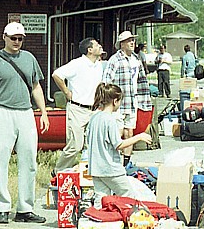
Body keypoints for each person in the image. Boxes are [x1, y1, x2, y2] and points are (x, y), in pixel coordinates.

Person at [0, 22, 50, 224]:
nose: (17, 42)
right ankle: (2, 207)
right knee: (0, 161)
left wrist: (43, 112)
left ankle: (25, 208)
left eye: (20, 38)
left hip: (25, 112)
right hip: (1, 111)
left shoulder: (29, 58)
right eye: (13, 38)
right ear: (4, 37)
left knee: (29, 161)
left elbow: (36, 87)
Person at [86, 83, 155, 200]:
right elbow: (119, 144)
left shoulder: (94, 118)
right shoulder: (110, 120)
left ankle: (99, 217)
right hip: (111, 169)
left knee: (101, 200)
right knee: (129, 198)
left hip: (96, 168)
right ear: (115, 101)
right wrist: (139, 137)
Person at [51, 37, 106, 171]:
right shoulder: (77, 64)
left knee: (94, 144)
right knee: (75, 145)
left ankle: (90, 173)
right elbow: (56, 75)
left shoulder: (99, 65)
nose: (100, 46)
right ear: (90, 50)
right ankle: (59, 171)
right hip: (78, 109)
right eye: (97, 45)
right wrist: (66, 91)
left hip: (94, 110)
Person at [102, 30, 152, 165]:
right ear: (121, 44)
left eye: (133, 40)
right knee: (117, 133)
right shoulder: (115, 60)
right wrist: (109, 101)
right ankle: (113, 160)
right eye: (129, 40)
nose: (132, 42)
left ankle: (126, 162)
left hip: (132, 102)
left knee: (129, 132)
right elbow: (106, 80)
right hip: (118, 103)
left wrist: (144, 100)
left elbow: (142, 80)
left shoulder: (136, 59)